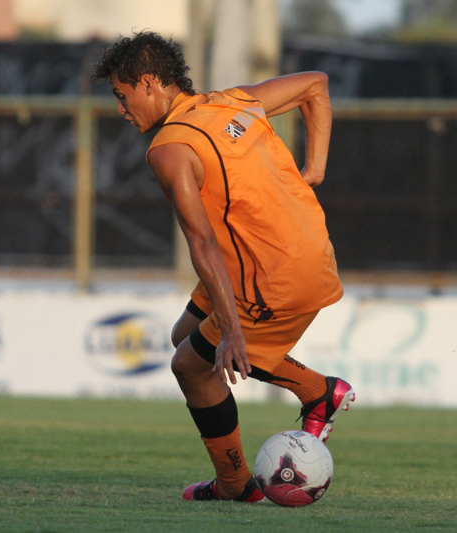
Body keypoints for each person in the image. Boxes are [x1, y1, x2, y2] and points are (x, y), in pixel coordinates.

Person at [93, 31, 355, 503]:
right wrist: (314, 169)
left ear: (149, 82)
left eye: (121, 95)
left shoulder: (168, 148)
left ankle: (236, 484)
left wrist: (233, 330)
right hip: (310, 256)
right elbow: (316, 84)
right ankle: (319, 391)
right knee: (185, 337)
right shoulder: (233, 102)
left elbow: (202, 241)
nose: (121, 109)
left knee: (190, 367)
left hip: (271, 276)